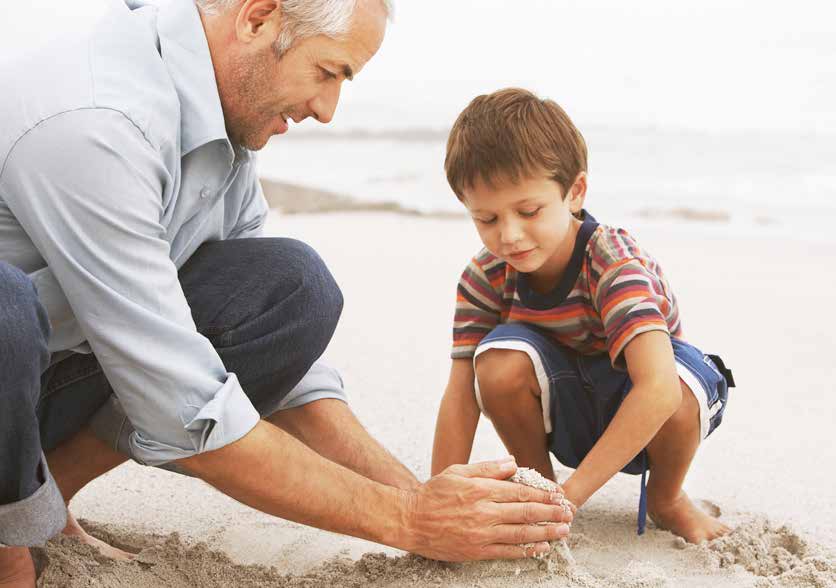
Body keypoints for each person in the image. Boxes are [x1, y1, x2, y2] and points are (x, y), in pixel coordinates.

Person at [0, 3, 573, 585]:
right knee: (4, 308)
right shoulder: (100, 120)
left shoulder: (219, 121)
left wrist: (425, 498)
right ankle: (8, 546)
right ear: (258, 18)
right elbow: (180, 403)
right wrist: (409, 520)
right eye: (328, 73)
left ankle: (44, 500)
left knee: (292, 289)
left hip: (33, 387)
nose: (326, 110)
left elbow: (275, 354)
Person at [431, 88, 736, 544]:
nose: (509, 235)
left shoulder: (612, 261)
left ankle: (667, 498)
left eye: (528, 210)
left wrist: (574, 498)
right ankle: (539, 491)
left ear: (575, 192)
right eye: (487, 219)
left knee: (675, 384)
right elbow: (461, 395)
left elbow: (656, 390)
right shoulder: (484, 276)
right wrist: (437, 501)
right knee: (495, 361)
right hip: (568, 414)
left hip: (654, 421)